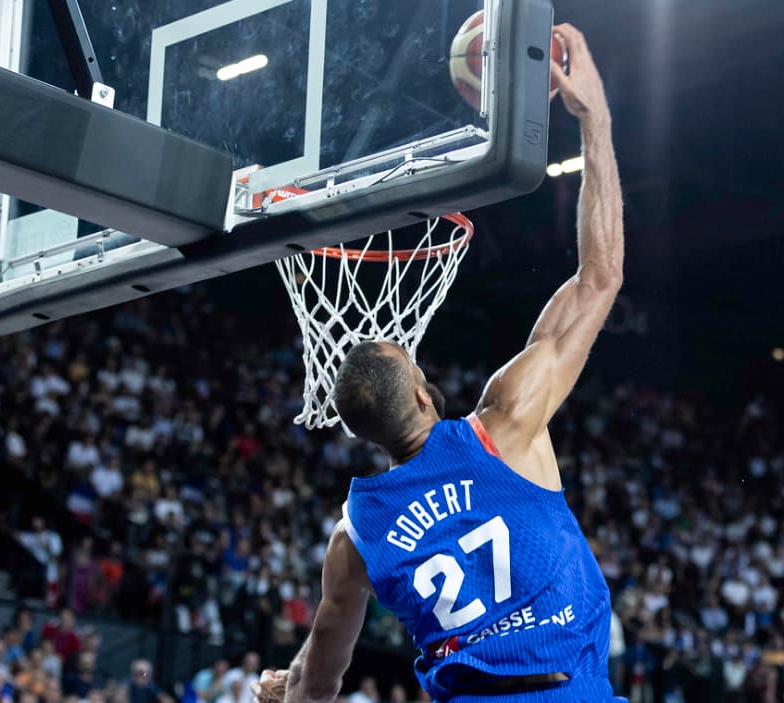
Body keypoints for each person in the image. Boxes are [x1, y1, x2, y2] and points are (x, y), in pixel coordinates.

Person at [257, 24, 624, 703]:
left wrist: (285, 695)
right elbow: (599, 276)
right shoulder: (505, 424)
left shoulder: (358, 534)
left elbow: (317, 680)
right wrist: (594, 120)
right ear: (425, 395)